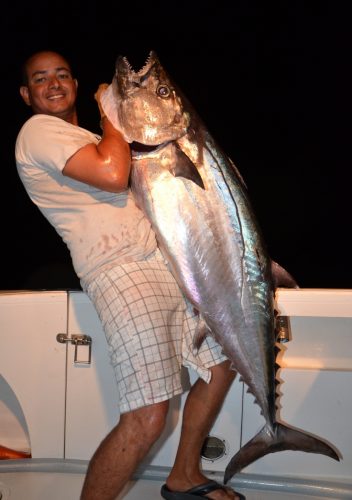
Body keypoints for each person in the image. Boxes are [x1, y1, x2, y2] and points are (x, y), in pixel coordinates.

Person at [15, 50, 245, 500]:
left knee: (222, 363)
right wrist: (111, 113)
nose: (54, 83)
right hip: (120, 271)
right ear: (27, 94)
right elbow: (114, 173)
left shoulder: (83, 136)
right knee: (148, 414)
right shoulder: (38, 132)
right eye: (41, 79)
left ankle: (184, 476)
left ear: (75, 83)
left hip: (163, 266)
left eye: (62, 74)